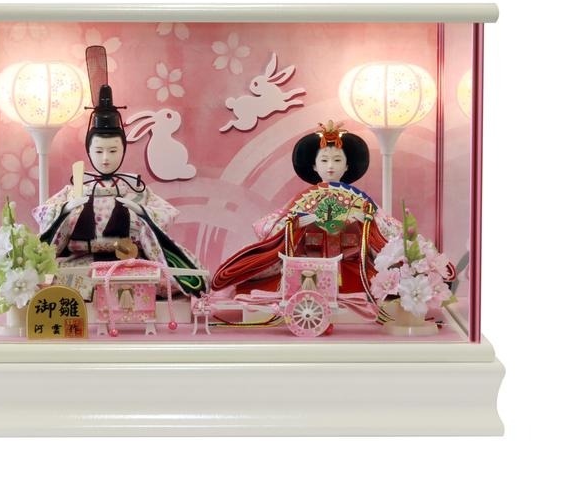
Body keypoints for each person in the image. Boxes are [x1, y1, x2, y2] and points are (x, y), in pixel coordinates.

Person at [32, 48, 205, 297]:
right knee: (50, 281)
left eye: (113, 150)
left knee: (160, 279)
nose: (105, 158)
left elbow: (166, 213)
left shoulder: (133, 187)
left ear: (123, 149)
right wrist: (65, 210)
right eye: (99, 150)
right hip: (80, 264)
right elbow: (44, 214)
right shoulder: (76, 188)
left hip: (128, 261)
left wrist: (142, 212)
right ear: (88, 150)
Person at [211, 120, 400, 299]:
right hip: (309, 264)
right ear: (315, 166)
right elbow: (276, 224)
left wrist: (365, 220)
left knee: (374, 287)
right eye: (324, 160)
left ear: (347, 166)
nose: (331, 166)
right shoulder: (303, 198)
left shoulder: (360, 199)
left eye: (337, 160)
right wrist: (297, 222)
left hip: (351, 262)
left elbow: (387, 228)